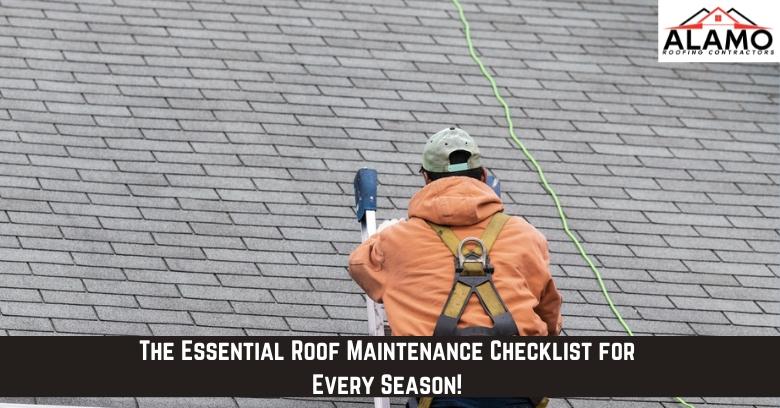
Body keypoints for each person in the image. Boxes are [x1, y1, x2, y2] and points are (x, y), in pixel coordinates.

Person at [348, 127, 562, 408]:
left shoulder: (397, 240)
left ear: (426, 179)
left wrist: (384, 239)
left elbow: (360, 266)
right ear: (484, 177)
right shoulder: (525, 235)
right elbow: (549, 319)